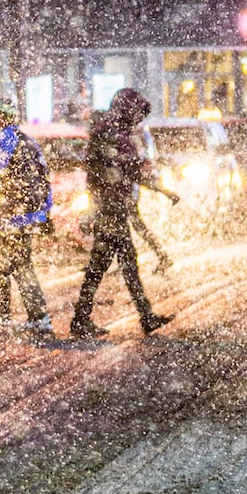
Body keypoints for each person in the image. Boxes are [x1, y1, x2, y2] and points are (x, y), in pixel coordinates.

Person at [69, 88, 174, 338]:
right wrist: (159, 189)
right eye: (136, 112)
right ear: (126, 110)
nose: (139, 118)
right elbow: (117, 172)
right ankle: (142, 317)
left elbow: (126, 171)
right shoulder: (111, 135)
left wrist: (162, 190)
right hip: (111, 210)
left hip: (112, 208)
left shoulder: (113, 133)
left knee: (106, 265)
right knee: (123, 264)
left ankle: (83, 318)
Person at [0, 100, 54, 334]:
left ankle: (35, 316)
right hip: (26, 214)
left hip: (11, 215)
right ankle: (5, 311)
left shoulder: (3, 140)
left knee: (16, 263)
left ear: (2, 117)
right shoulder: (28, 141)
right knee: (5, 262)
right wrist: (43, 213)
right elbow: (44, 178)